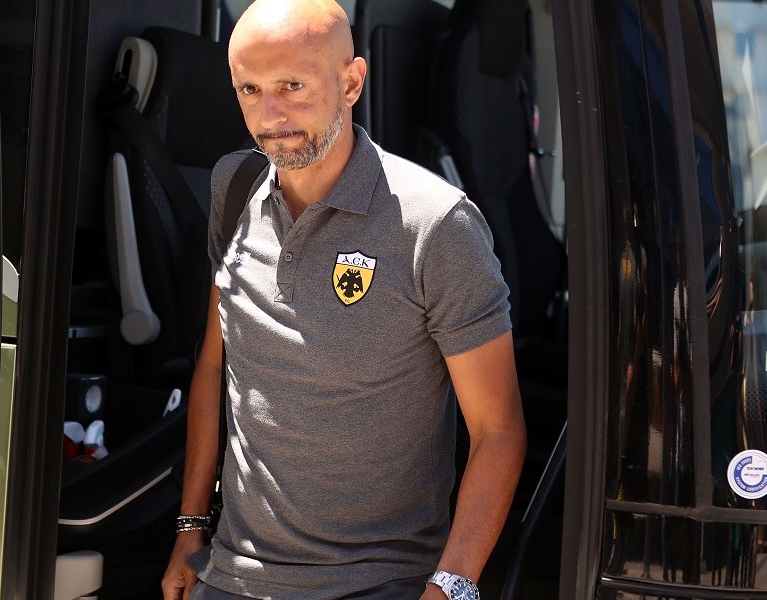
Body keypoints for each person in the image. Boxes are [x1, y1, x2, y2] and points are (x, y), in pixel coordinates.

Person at [162, 1, 526, 598]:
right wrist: (189, 528)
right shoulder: (234, 187)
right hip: (231, 576)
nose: (270, 115)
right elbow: (214, 365)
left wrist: (451, 586)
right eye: (250, 90)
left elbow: (498, 429)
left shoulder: (436, 225)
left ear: (352, 83)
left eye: (292, 86)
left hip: (378, 582)